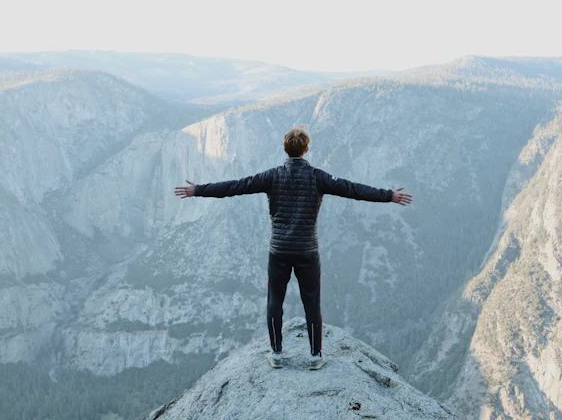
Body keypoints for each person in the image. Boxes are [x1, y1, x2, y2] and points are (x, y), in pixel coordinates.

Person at [174, 126, 412, 370]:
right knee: (312, 303)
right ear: (306, 149)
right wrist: (388, 195)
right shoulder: (318, 177)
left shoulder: (272, 176)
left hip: (278, 250)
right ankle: (315, 356)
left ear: (285, 150)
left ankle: (276, 354)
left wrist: (198, 190)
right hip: (307, 251)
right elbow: (353, 189)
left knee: (274, 300)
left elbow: (235, 186)